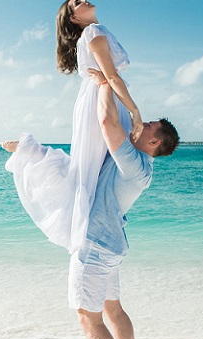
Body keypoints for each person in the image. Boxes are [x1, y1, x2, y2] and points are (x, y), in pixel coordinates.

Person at [1, 67, 179, 339]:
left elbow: (108, 125)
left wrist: (102, 85)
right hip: (111, 246)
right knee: (113, 311)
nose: (140, 127)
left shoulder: (134, 163)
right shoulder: (142, 164)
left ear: (154, 141)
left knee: (88, 318)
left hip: (96, 246)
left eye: (147, 127)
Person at [59, 0, 144, 253]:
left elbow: (110, 77)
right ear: (74, 18)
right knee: (98, 164)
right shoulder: (93, 32)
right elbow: (112, 77)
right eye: (76, 2)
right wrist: (135, 110)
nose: (83, 0)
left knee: (95, 166)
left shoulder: (94, 31)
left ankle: (92, 233)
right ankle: (91, 237)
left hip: (100, 95)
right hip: (102, 95)